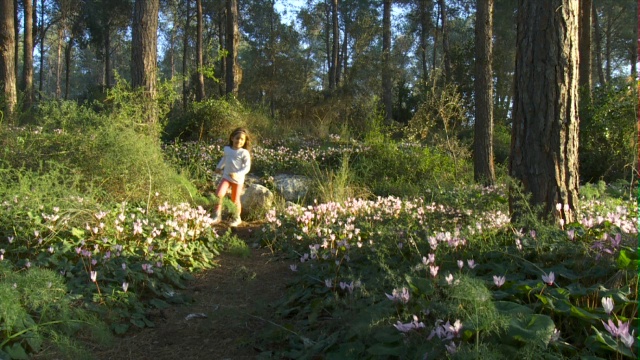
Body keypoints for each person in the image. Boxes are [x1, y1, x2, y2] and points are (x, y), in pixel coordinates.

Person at [212, 127, 252, 227]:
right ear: (232, 138)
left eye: (242, 139)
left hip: (237, 180)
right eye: (237, 138)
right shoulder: (227, 149)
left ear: (245, 141)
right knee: (219, 194)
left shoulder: (244, 153)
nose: (239, 141)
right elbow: (224, 159)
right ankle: (217, 215)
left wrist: (237, 174)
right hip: (226, 177)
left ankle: (237, 218)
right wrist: (218, 167)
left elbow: (247, 168)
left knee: (235, 199)